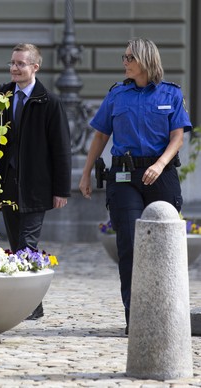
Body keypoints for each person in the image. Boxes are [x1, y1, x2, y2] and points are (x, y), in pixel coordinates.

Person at [79, 38, 191, 334]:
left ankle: (165, 315)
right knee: (128, 245)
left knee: (164, 246)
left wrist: (160, 164)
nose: (124, 61)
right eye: (124, 56)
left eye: (130, 57)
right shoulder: (117, 95)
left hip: (160, 175)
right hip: (124, 177)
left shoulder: (171, 94)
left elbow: (177, 137)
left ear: (145, 60)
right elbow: (101, 136)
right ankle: (136, 318)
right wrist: (86, 172)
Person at [0, 43, 72, 320]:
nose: (14, 69)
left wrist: (61, 189)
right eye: (12, 63)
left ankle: (26, 303)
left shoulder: (49, 102)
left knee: (26, 244)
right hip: (6, 185)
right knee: (15, 241)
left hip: (36, 186)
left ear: (35, 67)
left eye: (21, 64)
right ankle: (34, 303)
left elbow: (61, 149)